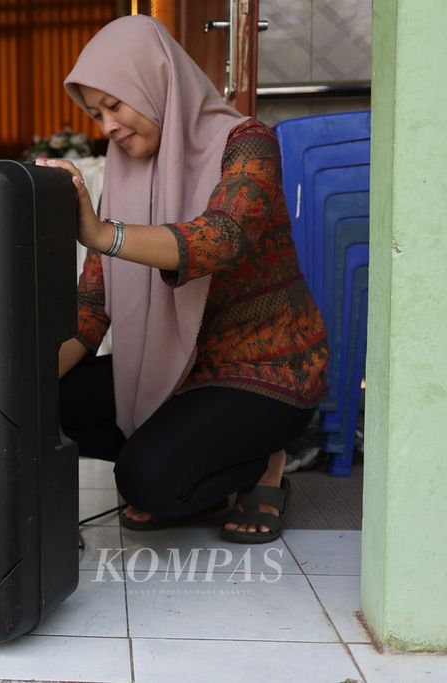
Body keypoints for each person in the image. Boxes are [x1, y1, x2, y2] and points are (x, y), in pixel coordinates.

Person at [37, 15, 328, 544]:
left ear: (154, 83)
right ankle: (197, 466)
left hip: (261, 370)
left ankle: (263, 463)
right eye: (95, 112)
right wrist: (16, 387)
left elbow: (223, 237)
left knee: (147, 483)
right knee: (47, 403)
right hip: (172, 365)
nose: (107, 127)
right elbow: (92, 307)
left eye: (115, 105)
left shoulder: (246, 143)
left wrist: (103, 234)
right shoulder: (123, 177)